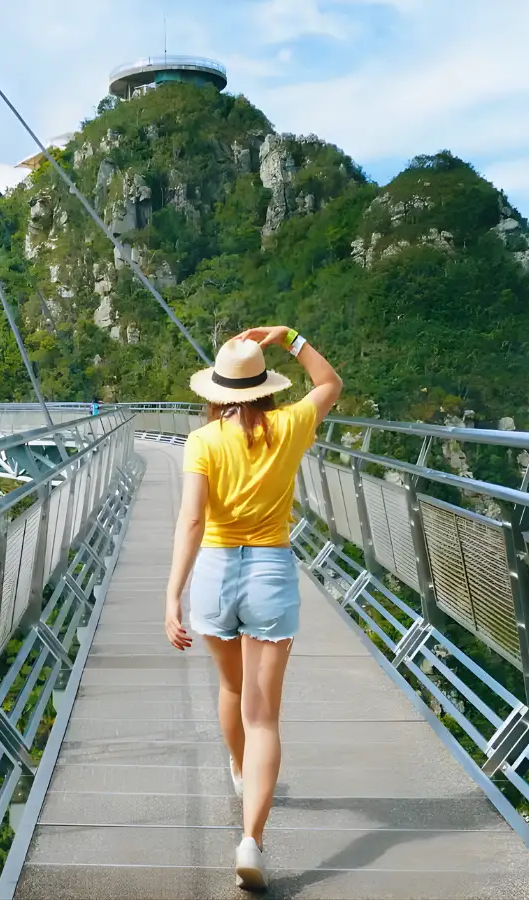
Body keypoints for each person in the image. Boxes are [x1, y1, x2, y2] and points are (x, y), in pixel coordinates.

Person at [163, 325, 342, 891]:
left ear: (217, 392)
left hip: (214, 573)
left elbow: (192, 520)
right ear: (265, 387)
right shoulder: (290, 425)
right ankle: (251, 842)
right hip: (270, 570)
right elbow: (330, 382)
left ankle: (240, 772)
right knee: (264, 717)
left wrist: (173, 595)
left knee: (232, 689)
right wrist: (288, 337)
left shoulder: (203, 441)